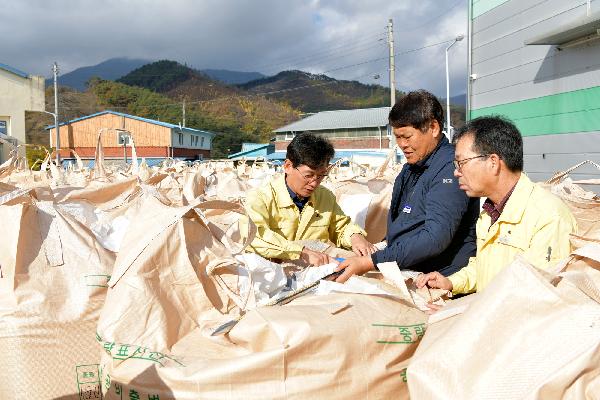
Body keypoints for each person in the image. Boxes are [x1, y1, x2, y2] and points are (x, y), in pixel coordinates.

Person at [416, 116, 577, 295]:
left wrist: (470, 315)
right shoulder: (489, 213)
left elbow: (536, 294)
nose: (456, 172)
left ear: (493, 162)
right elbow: (484, 268)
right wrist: (451, 282)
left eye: (461, 163)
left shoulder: (548, 217)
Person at [336, 90, 480, 283]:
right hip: (408, 269)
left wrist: (373, 261)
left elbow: (435, 237)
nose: (402, 144)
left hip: (440, 278)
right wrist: (383, 247)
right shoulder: (410, 168)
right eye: (397, 137)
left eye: (407, 136)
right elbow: (403, 222)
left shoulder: (450, 168)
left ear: (433, 128)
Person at [243, 132, 376, 266]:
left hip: (315, 272)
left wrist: (355, 237)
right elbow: (254, 236)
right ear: (288, 166)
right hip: (273, 274)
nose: (314, 183)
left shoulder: (324, 196)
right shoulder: (260, 197)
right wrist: (300, 252)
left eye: (321, 175)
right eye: (309, 175)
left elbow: (341, 227)